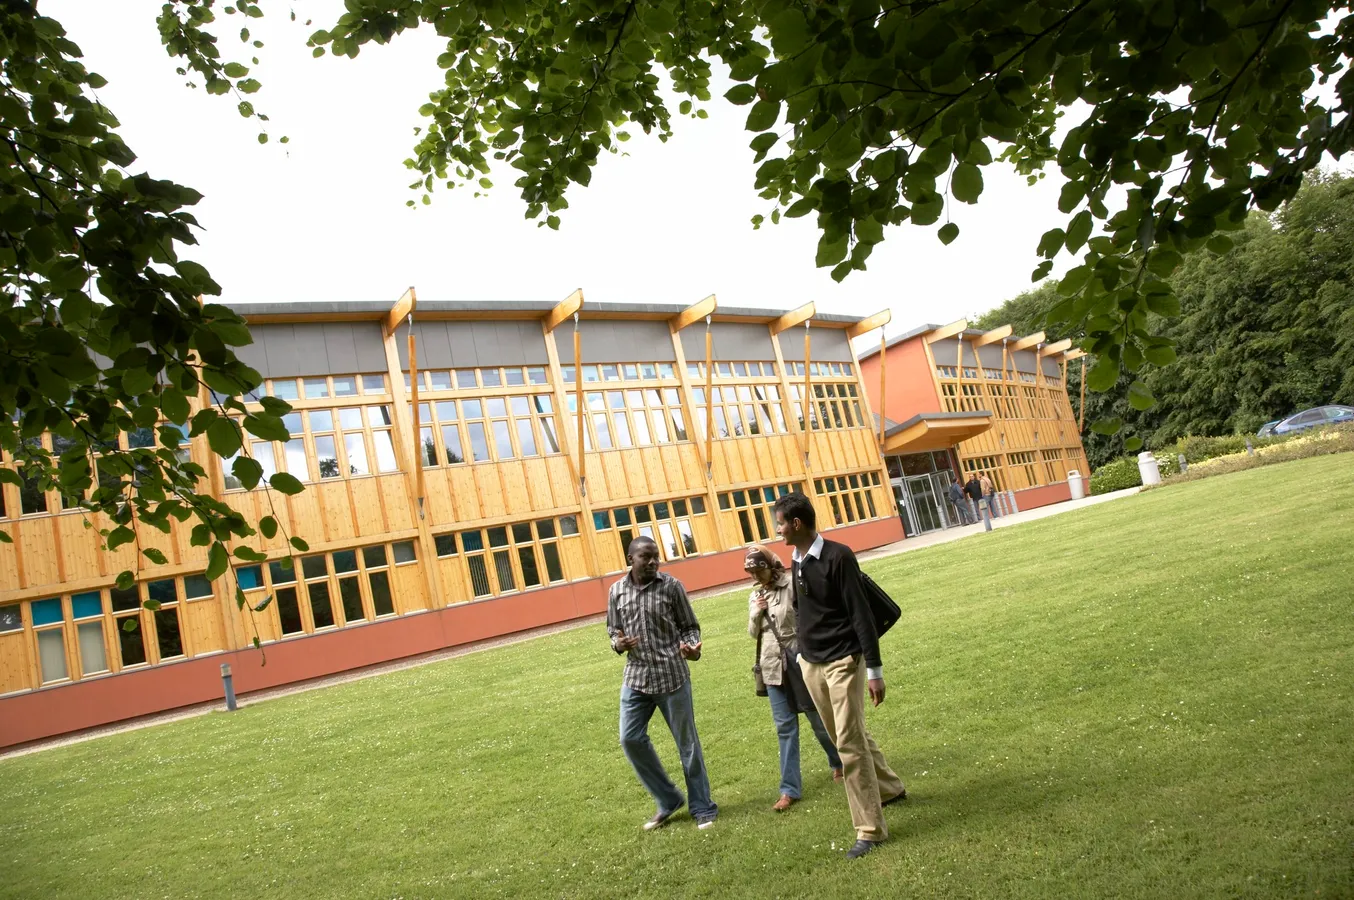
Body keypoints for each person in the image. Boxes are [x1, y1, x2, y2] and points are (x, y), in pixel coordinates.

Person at [772, 492, 906, 860]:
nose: (778, 530)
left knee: (847, 745)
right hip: (812, 664)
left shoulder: (838, 556)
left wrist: (874, 670)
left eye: (780, 523)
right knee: (849, 736)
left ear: (796, 523)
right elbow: (802, 613)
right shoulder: (796, 560)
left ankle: (870, 830)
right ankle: (891, 788)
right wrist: (801, 655)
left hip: (844, 661)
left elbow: (862, 615)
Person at [606, 535, 718, 831]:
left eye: (656, 556)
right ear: (631, 559)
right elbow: (612, 631)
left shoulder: (672, 587)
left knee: (687, 746)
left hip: (672, 676)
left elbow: (690, 627)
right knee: (629, 738)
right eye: (647, 556)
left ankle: (703, 807)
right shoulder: (616, 591)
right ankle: (668, 800)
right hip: (637, 678)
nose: (654, 561)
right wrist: (619, 643)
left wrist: (691, 646)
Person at [745, 544, 843, 811]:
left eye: (758, 570)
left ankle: (838, 762)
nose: (755, 577)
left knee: (819, 720)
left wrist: (805, 652)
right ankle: (789, 790)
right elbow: (753, 633)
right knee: (785, 728)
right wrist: (756, 612)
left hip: (798, 662)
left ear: (769, 567)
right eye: (751, 572)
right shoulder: (755, 595)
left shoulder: (791, 585)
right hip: (771, 668)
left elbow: (805, 620)